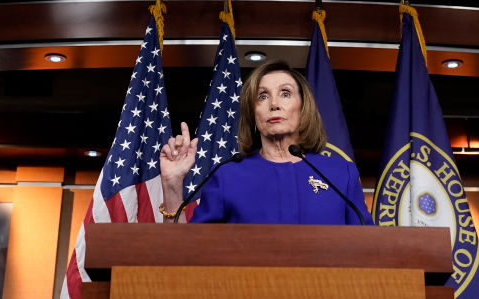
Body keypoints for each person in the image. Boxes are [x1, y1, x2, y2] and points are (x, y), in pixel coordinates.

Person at [159, 60, 371, 224]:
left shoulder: (340, 174)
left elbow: (367, 249)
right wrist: (172, 185)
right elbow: (187, 253)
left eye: (285, 94)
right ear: (253, 113)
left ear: (303, 107)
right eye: (262, 96)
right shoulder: (227, 175)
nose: (274, 104)